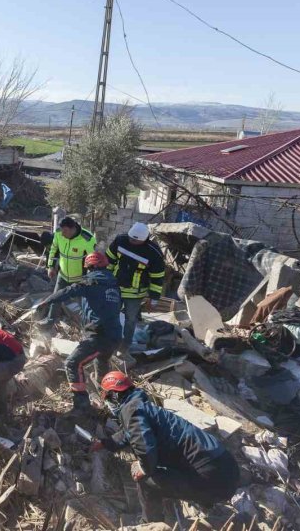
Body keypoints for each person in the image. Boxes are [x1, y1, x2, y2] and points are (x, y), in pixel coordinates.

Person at [93, 371, 240, 522]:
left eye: (108, 397)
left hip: (213, 478)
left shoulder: (130, 410)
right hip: (227, 469)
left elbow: (144, 447)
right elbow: (130, 433)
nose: (108, 403)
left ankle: (150, 523)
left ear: (115, 396)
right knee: (166, 467)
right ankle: (204, 501)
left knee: (146, 480)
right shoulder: (143, 408)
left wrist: (143, 467)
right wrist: (106, 443)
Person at [36, 252, 122, 414]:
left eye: (87, 269)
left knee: (72, 363)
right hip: (115, 336)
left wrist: (47, 301)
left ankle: (81, 406)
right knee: (101, 363)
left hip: (99, 336)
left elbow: (68, 291)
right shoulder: (113, 284)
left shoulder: (90, 282)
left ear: (91, 267)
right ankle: (110, 402)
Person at [106, 222, 165, 346]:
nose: (132, 241)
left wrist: (153, 298)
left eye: (135, 240)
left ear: (144, 240)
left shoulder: (154, 253)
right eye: (131, 238)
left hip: (135, 294)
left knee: (130, 320)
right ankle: (109, 343)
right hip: (115, 288)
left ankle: (125, 346)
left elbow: (157, 278)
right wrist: (105, 280)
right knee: (110, 316)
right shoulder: (120, 240)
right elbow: (109, 261)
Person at [45, 216, 96, 322]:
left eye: (65, 231)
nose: (62, 234)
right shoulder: (59, 233)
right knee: (56, 298)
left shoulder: (87, 239)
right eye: (62, 230)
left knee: (83, 305)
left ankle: (87, 327)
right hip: (62, 275)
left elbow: (93, 260)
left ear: (73, 228)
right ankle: (49, 321)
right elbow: (54, 250)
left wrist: (89, 279)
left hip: (80, 279)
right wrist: (50, 266)